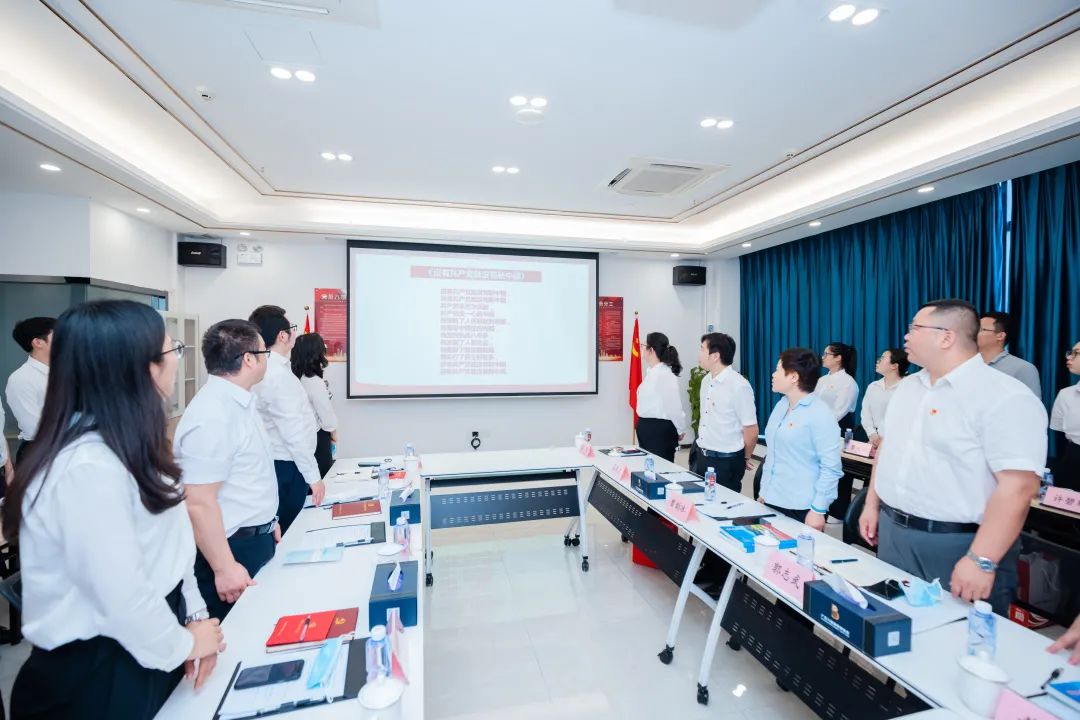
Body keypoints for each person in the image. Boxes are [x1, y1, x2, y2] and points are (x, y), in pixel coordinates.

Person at [3, 301, 224, 719]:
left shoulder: (131, 444)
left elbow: (174, 550)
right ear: (141, 368)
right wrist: (184, 644)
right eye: (172, 350)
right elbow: (122, 598)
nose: (178, 360)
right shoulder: (85, 467)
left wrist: (195, 619)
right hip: (97, 675)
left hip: (151, 640)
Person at [859, 298, 1047, 615]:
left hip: (958, 543)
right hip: (893, 533)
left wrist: (981, 559)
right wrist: (872, 505)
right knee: (895, 626)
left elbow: (1018, 487)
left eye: (915, 328)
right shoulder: (909, 388)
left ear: (946, 337)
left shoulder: (1005, 396)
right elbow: (888, 449)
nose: (906, 336)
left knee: (956, 636)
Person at [176, 319, 281, 621]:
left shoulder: (238, 403)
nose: (267, 359)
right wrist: (224, 567)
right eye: (264, 353)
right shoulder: (212, 414)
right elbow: (198, 502)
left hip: (253, 539)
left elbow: (248, 475)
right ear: (249, 359)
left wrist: (268, 521)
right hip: (231, 552)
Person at [248, 306, 325, 533]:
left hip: (284, 463)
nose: (295, 333)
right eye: (292, 328)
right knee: (290, 532)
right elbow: (294, 433)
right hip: (288, 467)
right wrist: (314, 477)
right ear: (282, 335)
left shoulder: (271, 369)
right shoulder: (277, 375)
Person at [758, 348, 842, 529]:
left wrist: (818, 509)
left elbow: (831, 467)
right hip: (772, 498)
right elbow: (773, 455)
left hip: (801, 506)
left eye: (778, 370)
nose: (773, 375)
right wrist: (764, 492)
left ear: (794, 377)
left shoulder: (820, 413)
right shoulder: (781, 405)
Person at [692, 332, 758, 492]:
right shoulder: (706, 380)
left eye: (702, 349)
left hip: (726, 462)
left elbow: (751, 430)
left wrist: (745, 457)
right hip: (702, 456)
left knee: (724, 505)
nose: (699, 354)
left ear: (715, 356)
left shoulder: (739, 385)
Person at [5, 316, 54, 464]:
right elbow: (36, 429)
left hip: (66, 450)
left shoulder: (65, 371)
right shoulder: (21, 379)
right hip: (39, 455)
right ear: (38, 342)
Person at [291, 333, 339, 478]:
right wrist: (333, 432)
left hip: (301, 436)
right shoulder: (314, 381)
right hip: (318, 437)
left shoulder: (294, 378)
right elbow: (325, 412)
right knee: (323, 478)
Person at [634, 332, 687, 462]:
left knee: (661, 468)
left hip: (659, 432)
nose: (641, 348)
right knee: (648, 468)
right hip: (647, 429)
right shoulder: (652, 372)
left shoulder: (664, 375)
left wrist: (680, 429)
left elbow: (674, 407)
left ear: (651, 350)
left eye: (643, 345)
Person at [978, 311, 1041, 398]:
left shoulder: (1023, 369)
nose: (973, 333)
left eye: (981, 329)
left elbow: (1031, 405)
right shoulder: (969, 365)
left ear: (1000, 336)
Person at [860, 348, 909, 448]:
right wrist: (872, 435)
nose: (878, 361)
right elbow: (865, 414)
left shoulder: (906, 388)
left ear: (894, 366)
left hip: (896, 441)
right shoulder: (873, 386)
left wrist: (883, 438)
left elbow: (903, 419)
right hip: (872, 437)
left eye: (882, 358)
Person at [1049, 339, 1080, 491]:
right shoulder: (1066, 395)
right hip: (1073, 458)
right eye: (1070, 352)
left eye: (1076, 353)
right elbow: (1058, 429)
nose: (1069, 357)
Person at [815, 342, 860, 432]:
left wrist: (818, 425)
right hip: (818, 424)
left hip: (837, 427)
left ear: (838, 358)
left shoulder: (848, 382)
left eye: (826, 354)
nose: (822, 357)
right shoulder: (822, 380)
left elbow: (839, 412)